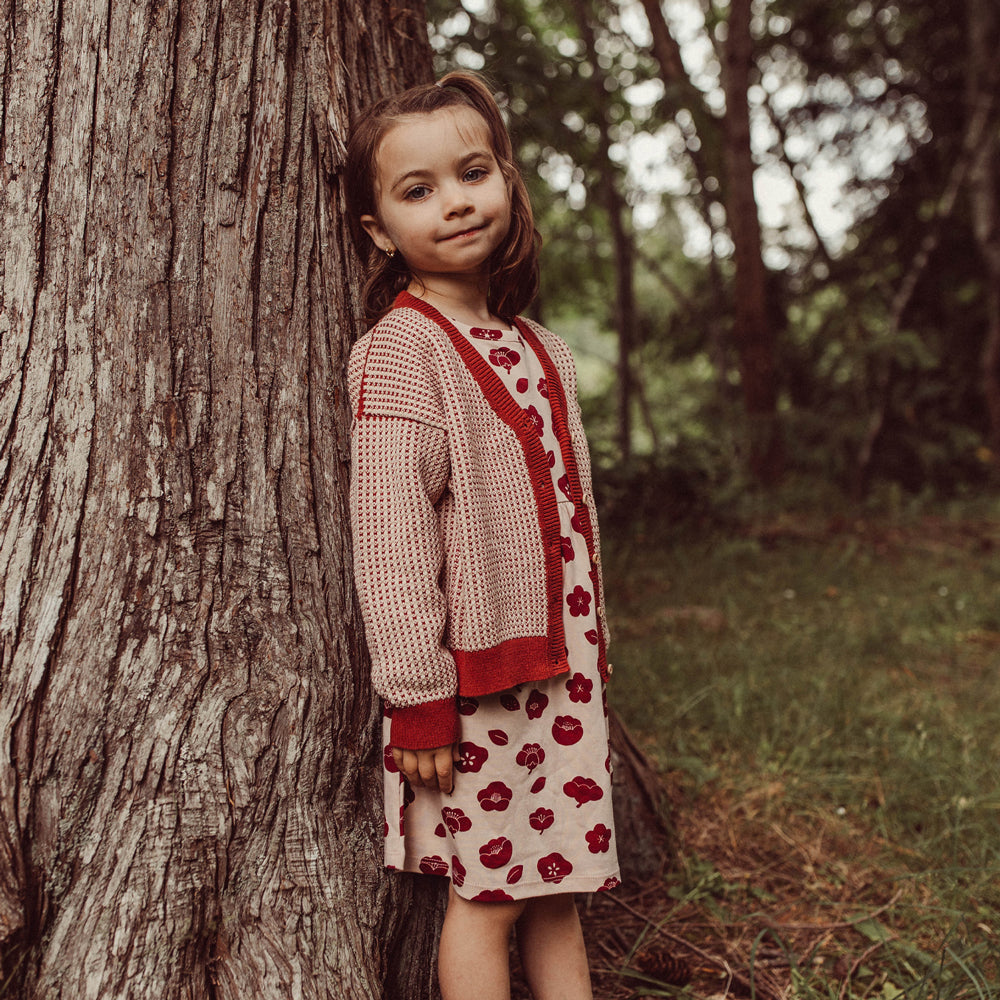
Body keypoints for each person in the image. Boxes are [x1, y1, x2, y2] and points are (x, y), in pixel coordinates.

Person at [345, 71, 620, 1000]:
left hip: (564, 674)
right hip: (479, 688)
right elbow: (389, 543)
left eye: (472, 173)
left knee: (561, 889)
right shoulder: (403, 351)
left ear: (506, 179)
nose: (455, 202)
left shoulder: (542, 347)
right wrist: (416, 697)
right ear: (380, 229)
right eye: (417, 190)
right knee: (491, 893)